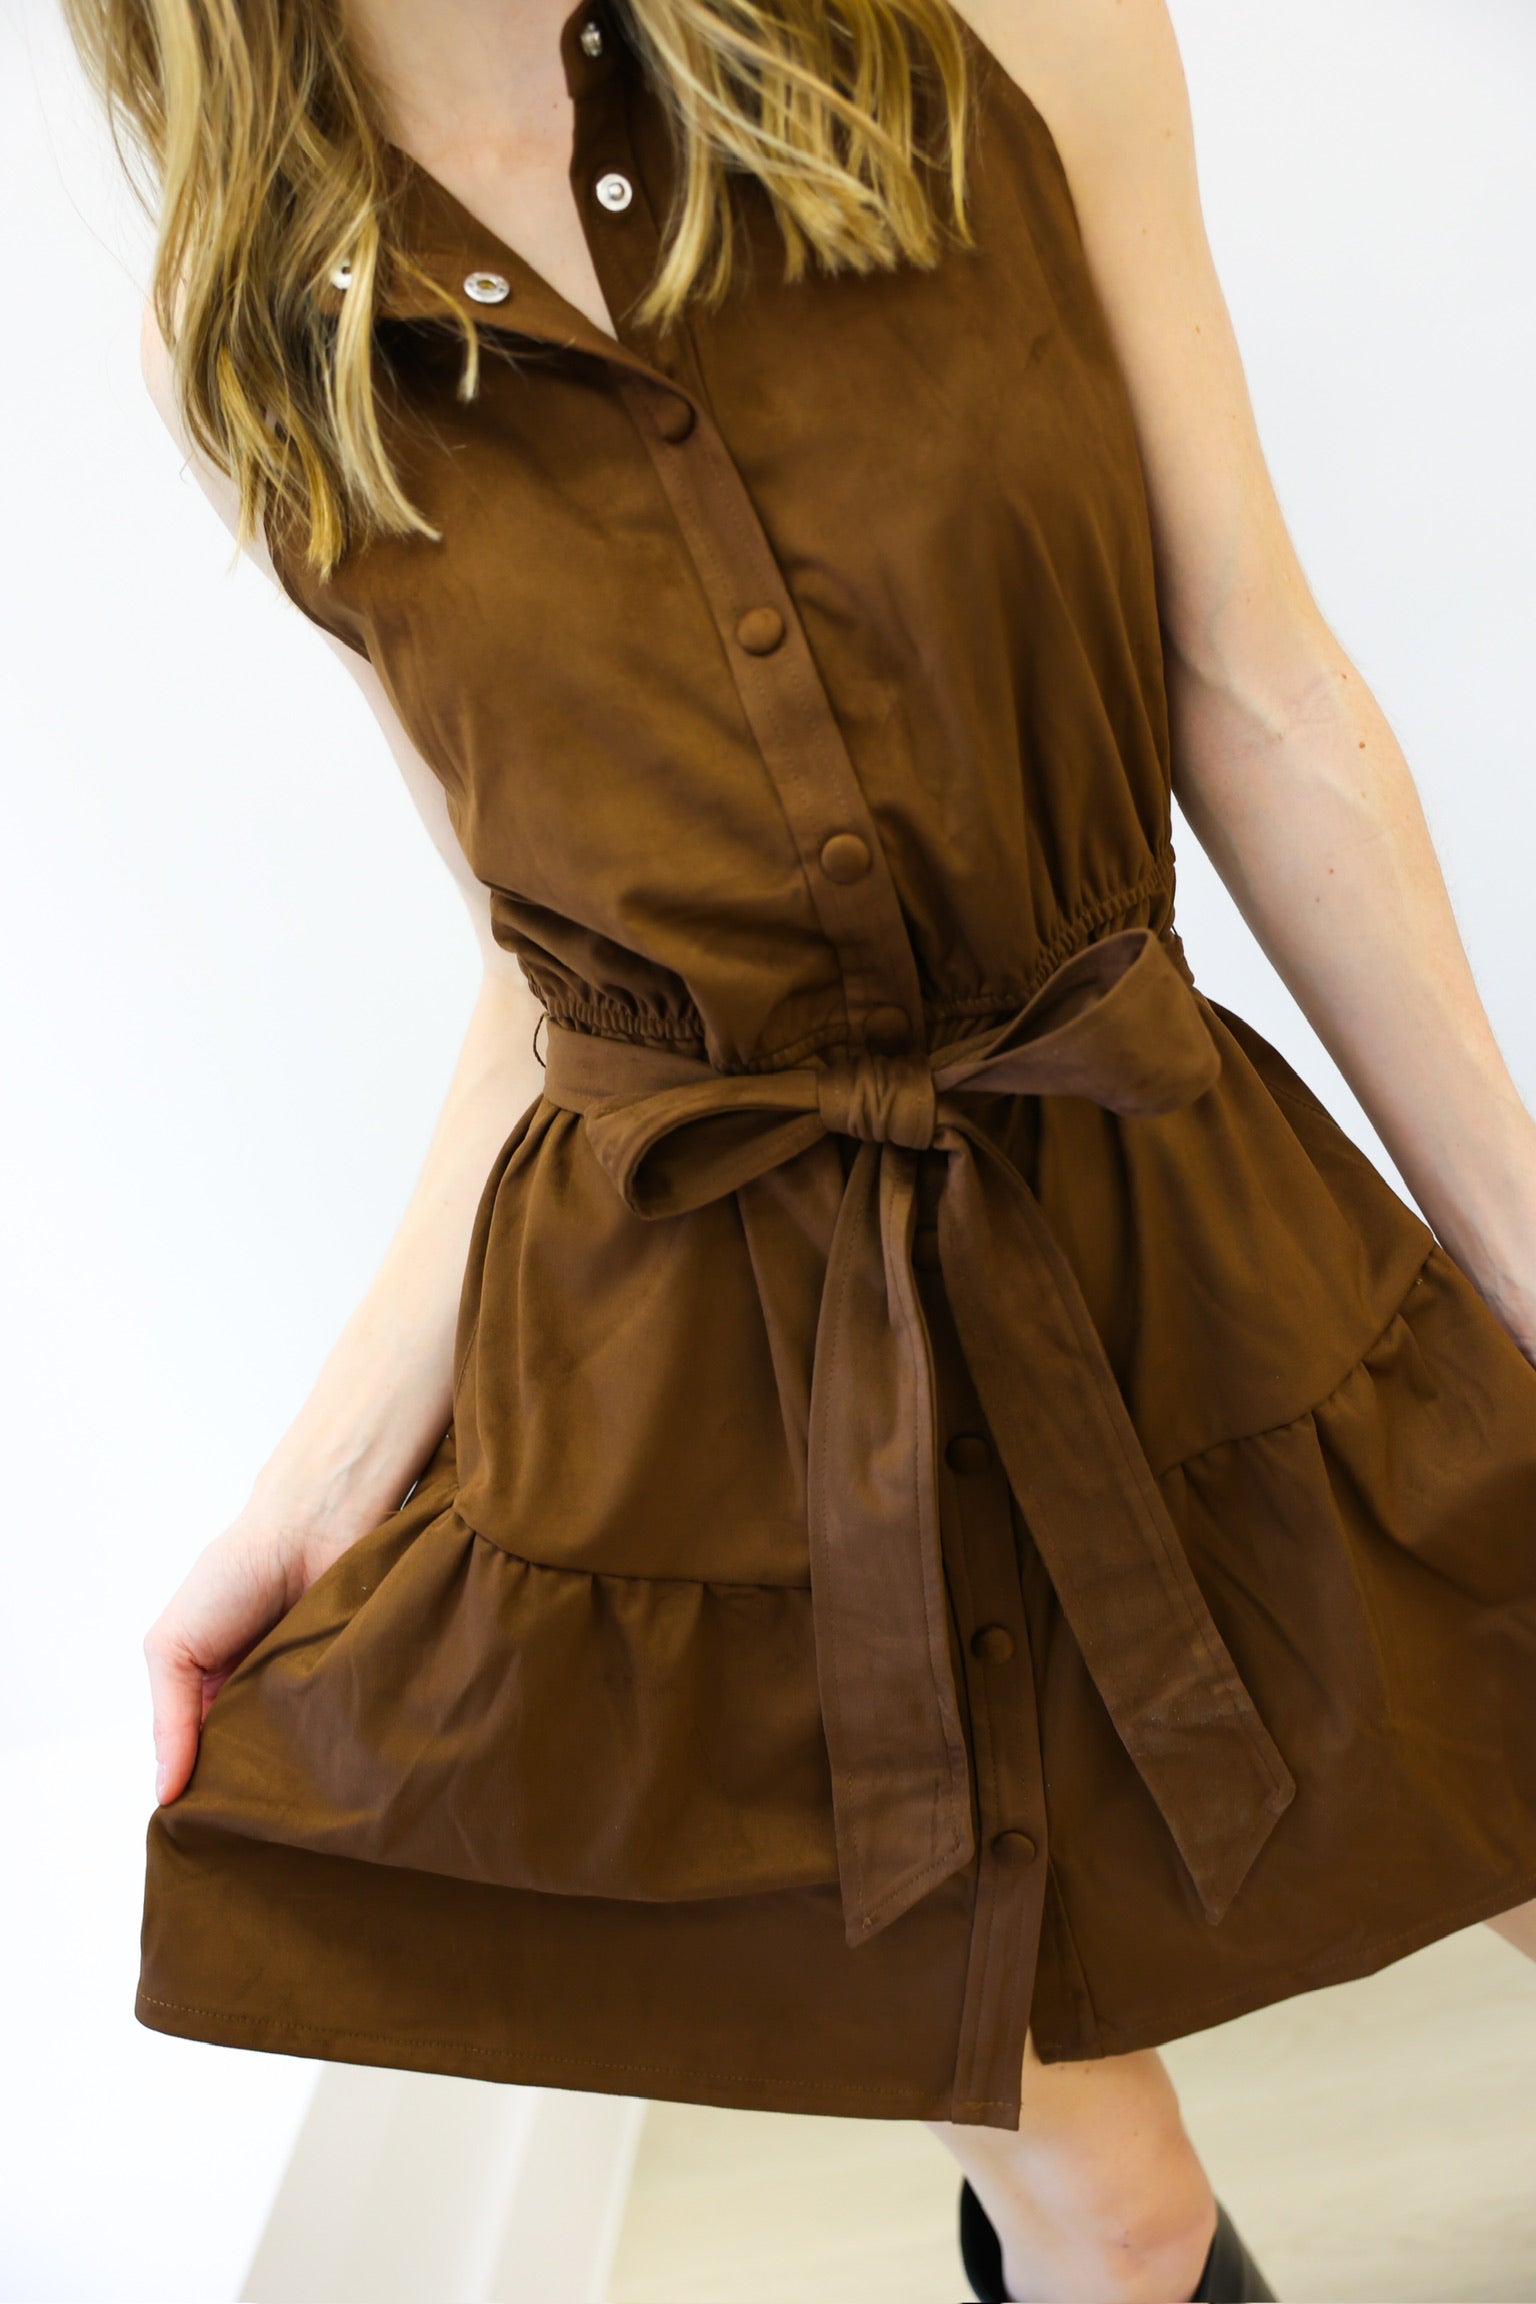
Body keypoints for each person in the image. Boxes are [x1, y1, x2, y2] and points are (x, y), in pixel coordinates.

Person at [66, 0, 1536, 2292]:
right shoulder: (274, 317)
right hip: (728, 1420)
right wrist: (305, 1500)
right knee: (1112, 2217)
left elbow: (1255, 687)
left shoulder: (1008, 38)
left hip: (1163, 1214)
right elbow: (550, 977)